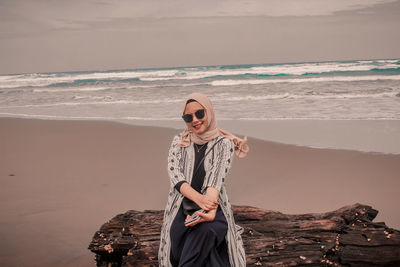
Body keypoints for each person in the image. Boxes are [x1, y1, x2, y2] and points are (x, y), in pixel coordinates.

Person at [158, 93, 249, 267]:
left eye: (200, 113)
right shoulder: (179, 141)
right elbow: (176, 177)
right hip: (182, 211)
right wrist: (201, 201)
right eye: (188, 117)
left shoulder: (224, 144)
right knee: (183, 246)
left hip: (216, 211)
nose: (195, 120)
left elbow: (215, 179)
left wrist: (210, 210)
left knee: (205, 232)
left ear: (209, 112)